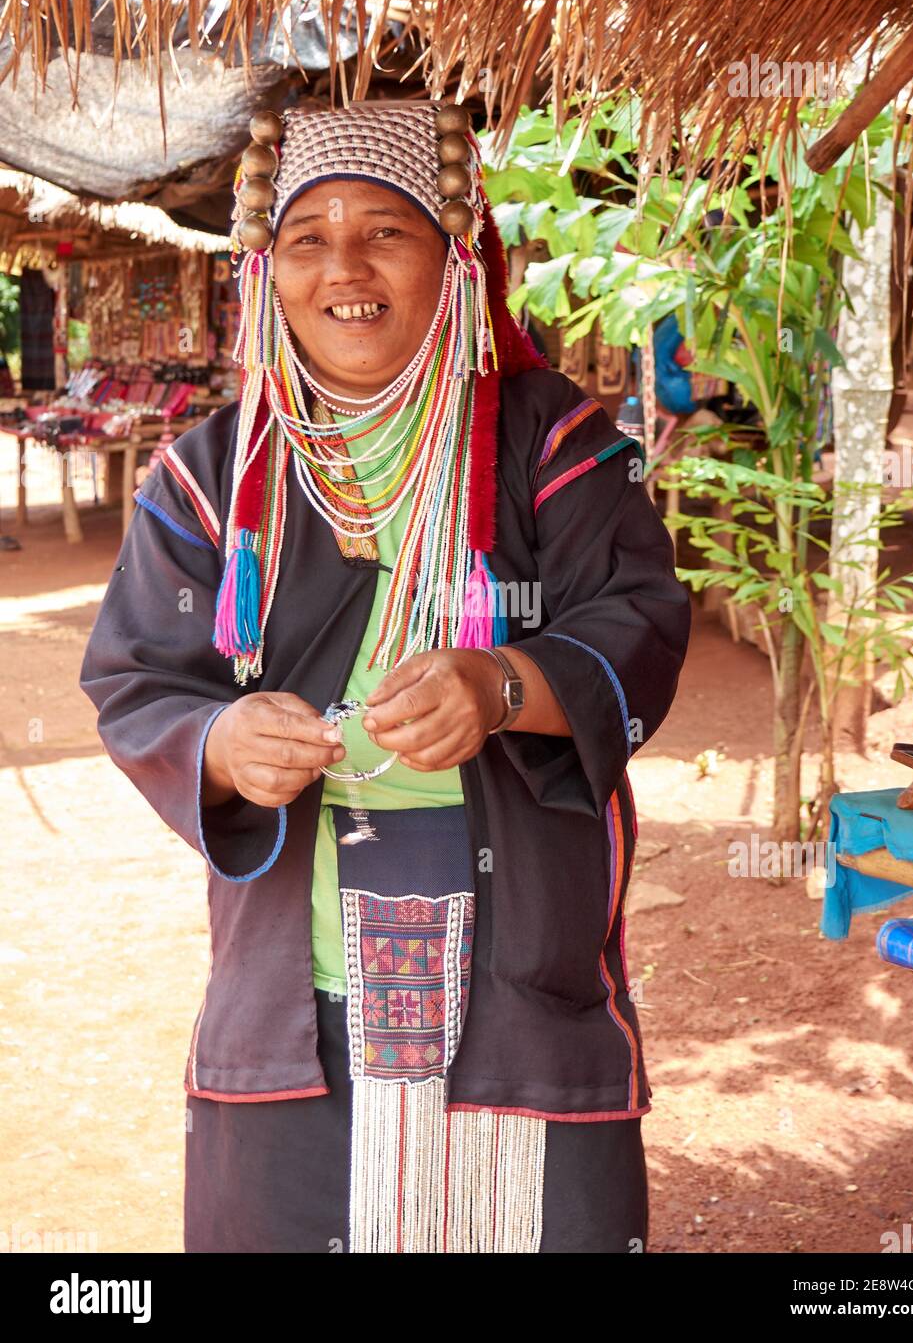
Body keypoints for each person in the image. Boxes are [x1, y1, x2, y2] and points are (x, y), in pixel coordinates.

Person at [79, 99, 691, 1254]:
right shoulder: (214, 473)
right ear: (268, 271)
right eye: (307, 236)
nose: (344, 268)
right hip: (290, 976)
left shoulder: (553, 445)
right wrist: (218, 744)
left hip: (520, 961)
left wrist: (505, 684)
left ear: (454, 259)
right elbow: (136, 676)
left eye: (386, 232)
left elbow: (640, 619)